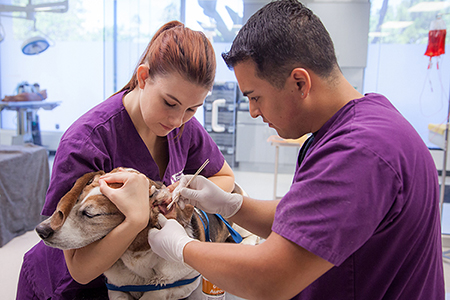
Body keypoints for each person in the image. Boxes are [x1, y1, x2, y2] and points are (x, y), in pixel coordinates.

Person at [127, 0, 443, 299]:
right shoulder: (365, 123)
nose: (252, 111)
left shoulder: (360, 152)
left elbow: (269, 278)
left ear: (299, 83)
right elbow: (310, 218)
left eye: (255, 96)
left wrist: (182, 247)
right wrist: (232, 205)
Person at [16, 20, 235, 300]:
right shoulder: (86, 141)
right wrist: (137, 217)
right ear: (143, 77)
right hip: (75, 286)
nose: (177, 120)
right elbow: (80, 270)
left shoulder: (183, 127)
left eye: (192, 108)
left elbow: (224, 177)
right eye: (169, 103)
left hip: (142, 280)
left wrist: (186, 193)